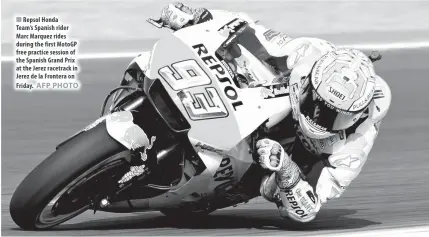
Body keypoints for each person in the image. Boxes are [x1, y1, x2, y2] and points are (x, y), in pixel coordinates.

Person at [135, 2, 392, 223]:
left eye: (336, 116)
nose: (318, 117)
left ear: (356, 115)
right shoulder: (308, 53)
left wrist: (287, 171)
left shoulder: (357, 143)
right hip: (265, 104)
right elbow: (247, 30)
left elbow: (308, 210)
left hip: (284, 159)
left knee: (275, 188)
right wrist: (199, 17)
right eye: (317, 103)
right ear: (310, 82)